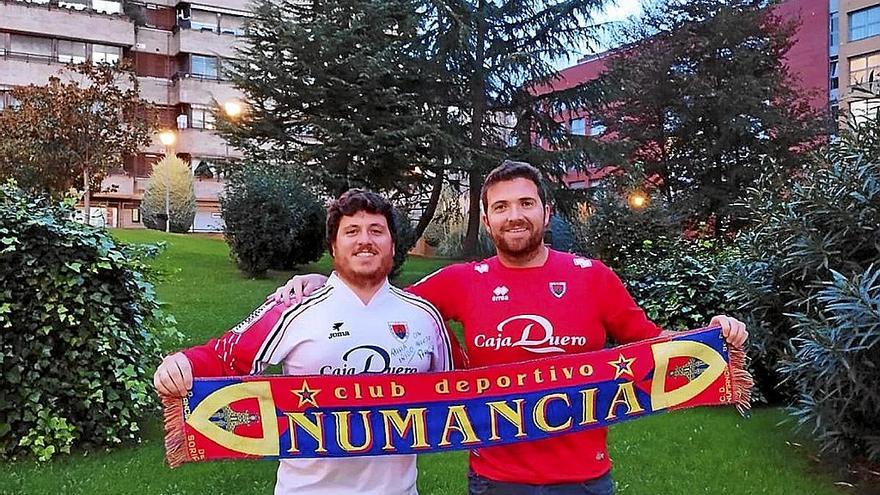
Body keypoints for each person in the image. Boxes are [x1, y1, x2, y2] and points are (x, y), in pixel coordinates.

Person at [271, 161, 749, 495]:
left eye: (525, 203)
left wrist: (712, 338)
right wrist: (327, 281)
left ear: (546, 211)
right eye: (501, 207)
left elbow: (650, 341)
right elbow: (382, 302)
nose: (514, 215)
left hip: (583, 477)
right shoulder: (461, 281)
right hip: (495, 477)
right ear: (487, 218)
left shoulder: (592, 276)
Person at [154, 189, 458, 495]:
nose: (365, 239)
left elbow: (468, 388)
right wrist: (182, 363)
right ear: (334, 246)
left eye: (376, 231)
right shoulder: (294, 306)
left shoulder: (424, 315)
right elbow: (226, 356)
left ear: (393, 245)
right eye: (351, 231)